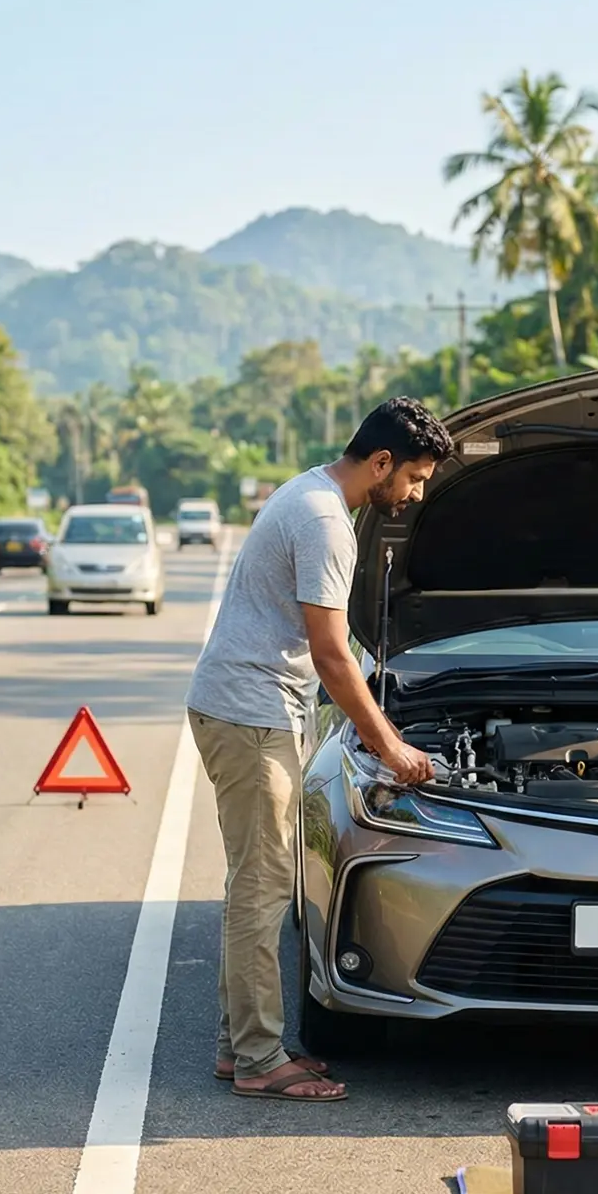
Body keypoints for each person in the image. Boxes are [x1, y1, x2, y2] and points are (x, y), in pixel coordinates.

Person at [186, 397, 453, 1102]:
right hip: (250, 713)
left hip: (253, 707)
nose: (416, 493)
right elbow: (334, 655)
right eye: (417, 477)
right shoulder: (326, 521)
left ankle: (239, 1045)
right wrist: (389, 745)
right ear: (382, 462)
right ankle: (258, 1059)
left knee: (257, 880)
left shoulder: (314, 495)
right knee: (266, 884)